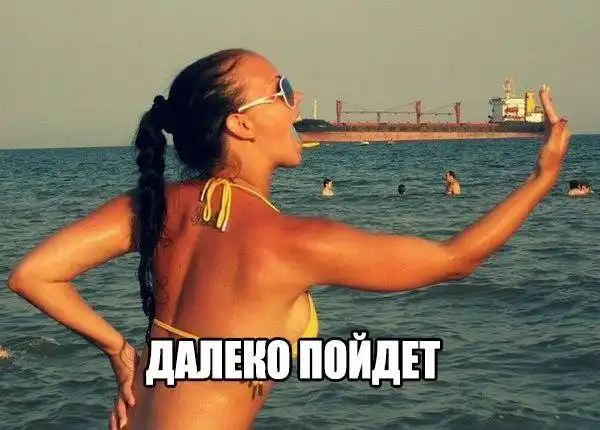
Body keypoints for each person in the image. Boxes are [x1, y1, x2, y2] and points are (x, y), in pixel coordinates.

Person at [6, 50, 569, 430]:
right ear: (241, 124)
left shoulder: (156, 205)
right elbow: (455, 259)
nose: (297, 101)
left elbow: (32, 275)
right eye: (282, 90)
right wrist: (542, 176)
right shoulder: (289, 240)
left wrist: (120, 351)